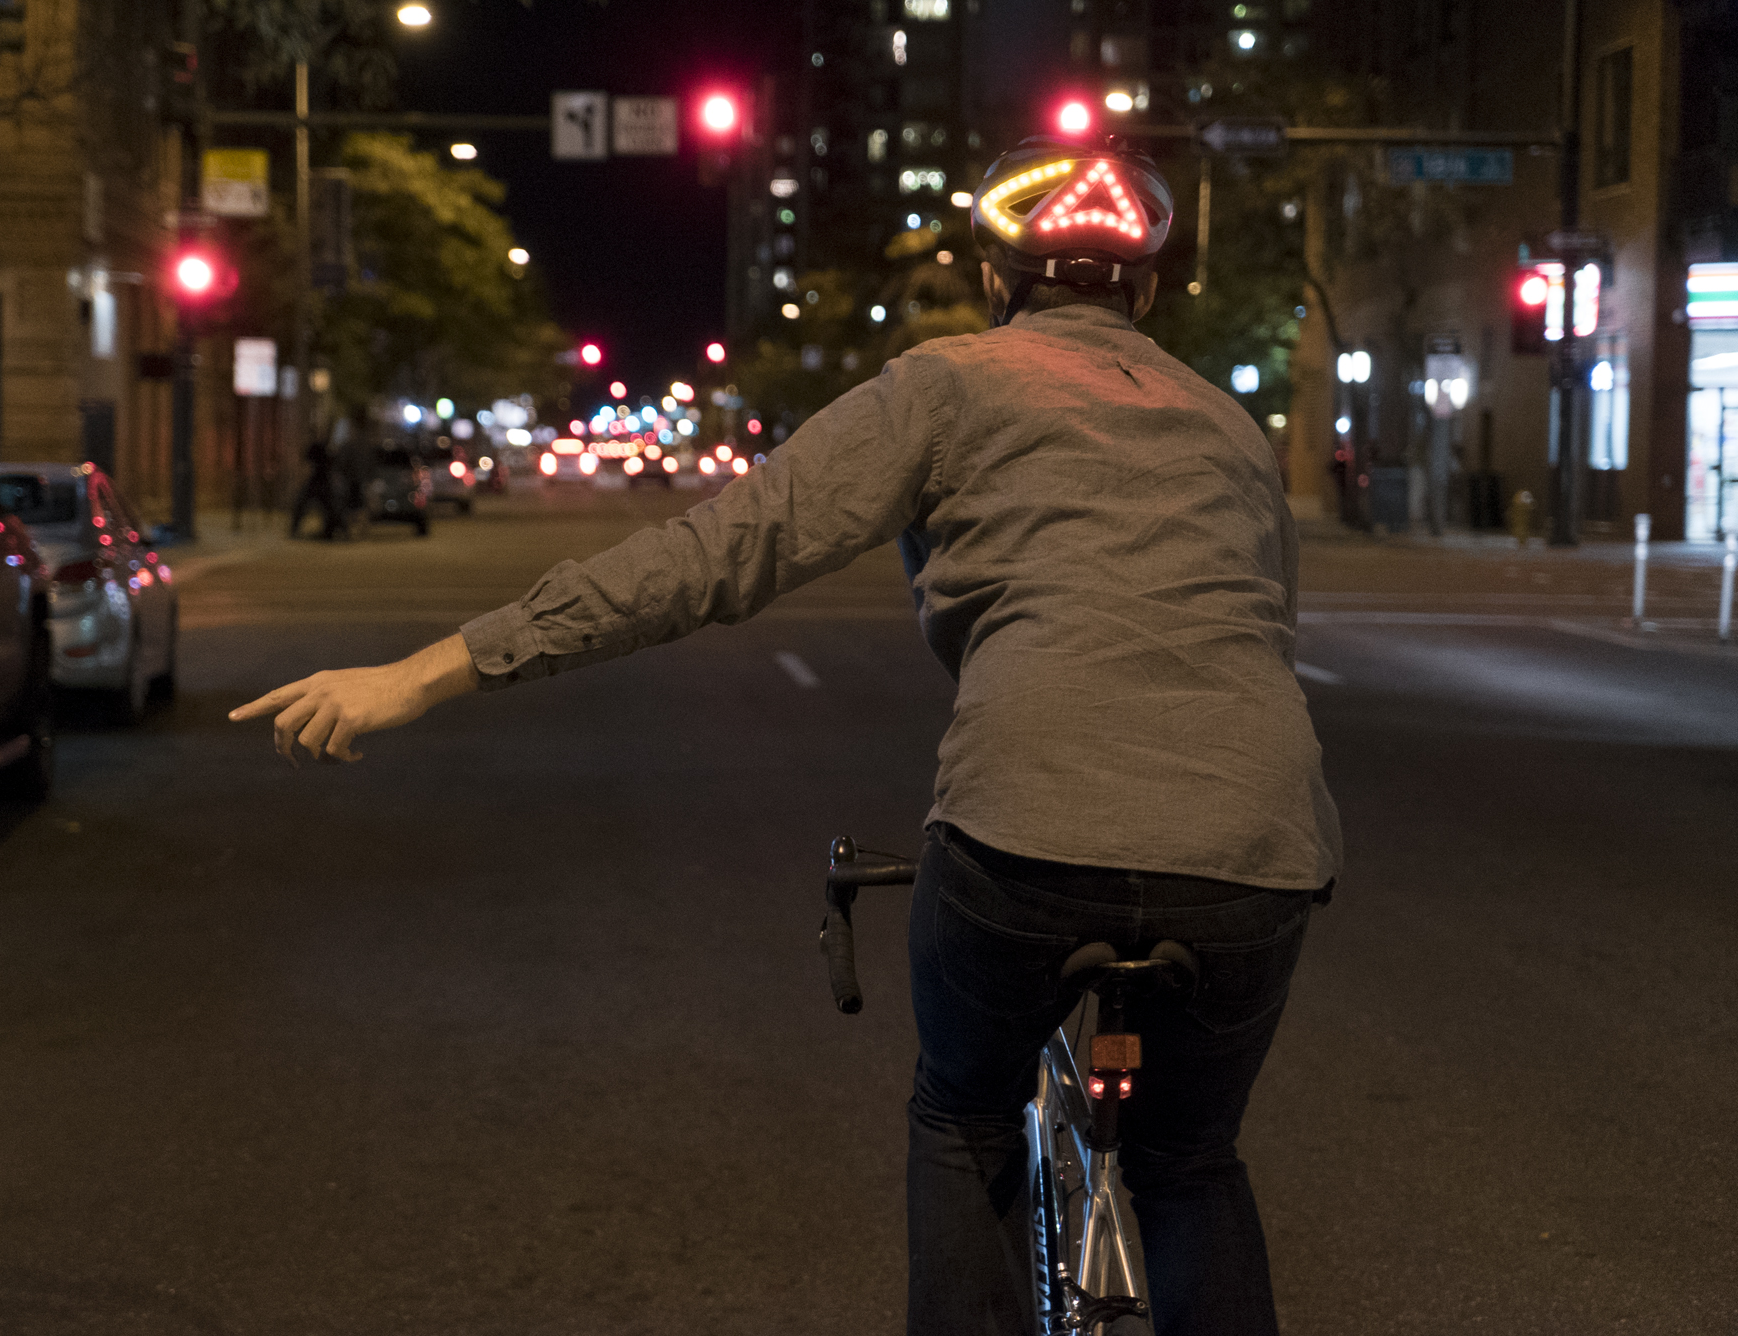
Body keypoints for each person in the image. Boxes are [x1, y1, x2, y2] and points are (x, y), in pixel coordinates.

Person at [230, 135, 1341, 1336]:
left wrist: (423, 672)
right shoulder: (1232, 428)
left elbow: (712, 555)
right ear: (1152, 288)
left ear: (990, 278)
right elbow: (1260, 630)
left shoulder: (945, 384)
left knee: (963, 1117)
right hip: (1257, 843)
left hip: (1025, 830)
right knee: (1187, 1161)